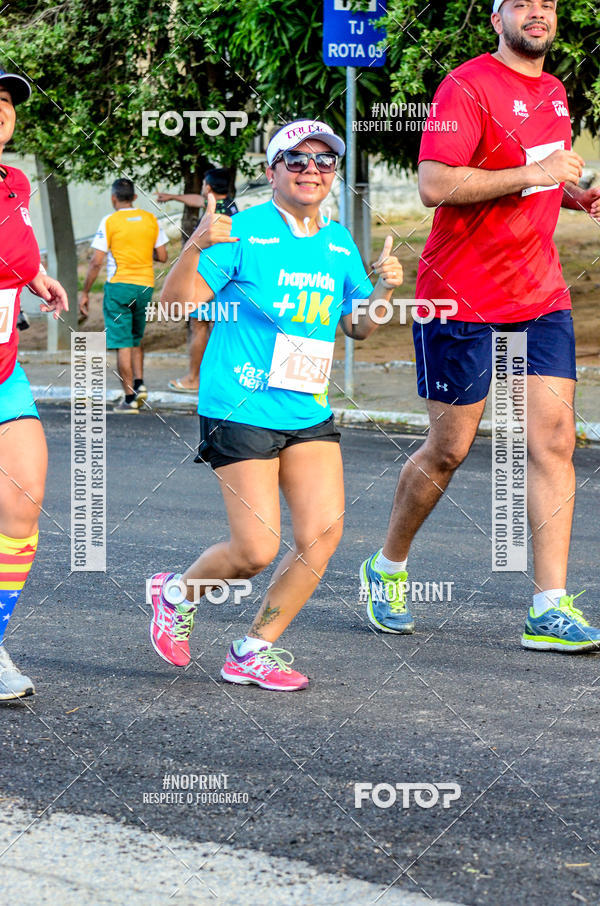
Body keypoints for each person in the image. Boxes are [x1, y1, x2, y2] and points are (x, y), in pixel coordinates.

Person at [360, 0, 600, 651]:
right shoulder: (464, 86)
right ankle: (387, 567)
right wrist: (537, 173)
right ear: (498, 17)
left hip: (539, 295)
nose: (538, 13)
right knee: (450, 450)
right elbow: (434, 184)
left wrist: (568, 193)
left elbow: (533, 179)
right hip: (460, 298)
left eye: (547, 3)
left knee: (553, 441)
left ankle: (548, 607)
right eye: (522, 3)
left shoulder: (553, 90)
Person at [148, 119, 404, 690]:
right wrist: (194, 246)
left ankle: (253, 648)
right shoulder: (242, 231)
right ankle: (175, 593)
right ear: (272, 172)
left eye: (324, 162)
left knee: (322, 535)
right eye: (297, 161)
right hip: (240, 405)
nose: (312, 170)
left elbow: (358, 328)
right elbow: (177, 306)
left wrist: (384, 290)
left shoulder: (338, 242)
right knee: (256, 548)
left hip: (306, 408)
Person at [0, 67, 68, 699]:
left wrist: (35, 275)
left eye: (4, 102)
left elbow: (13, 247)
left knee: (22, 504)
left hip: (4, 374)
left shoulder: (14, 182)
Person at [79, 178, 168, 412]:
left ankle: (129, 399)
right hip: (145, 287)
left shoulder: (109, 221)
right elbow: (162, 255)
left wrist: (85, 292)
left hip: (119, 287)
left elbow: (97, 261)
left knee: (122, 343)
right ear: (135, 198)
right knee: (136, 338)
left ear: (113, 198)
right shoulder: (150, 219)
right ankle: (140, 384)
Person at [156, 168, 238, 393]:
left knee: (199, 325)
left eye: (203, 183)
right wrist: (172, 197)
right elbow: (196, 200)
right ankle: (220, 378)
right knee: (222, 325)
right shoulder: (231, 206)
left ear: (208, 187)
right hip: (227, 278)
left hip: (208, 276)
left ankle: (194, 379)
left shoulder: (213, 211)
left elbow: (198, 201)